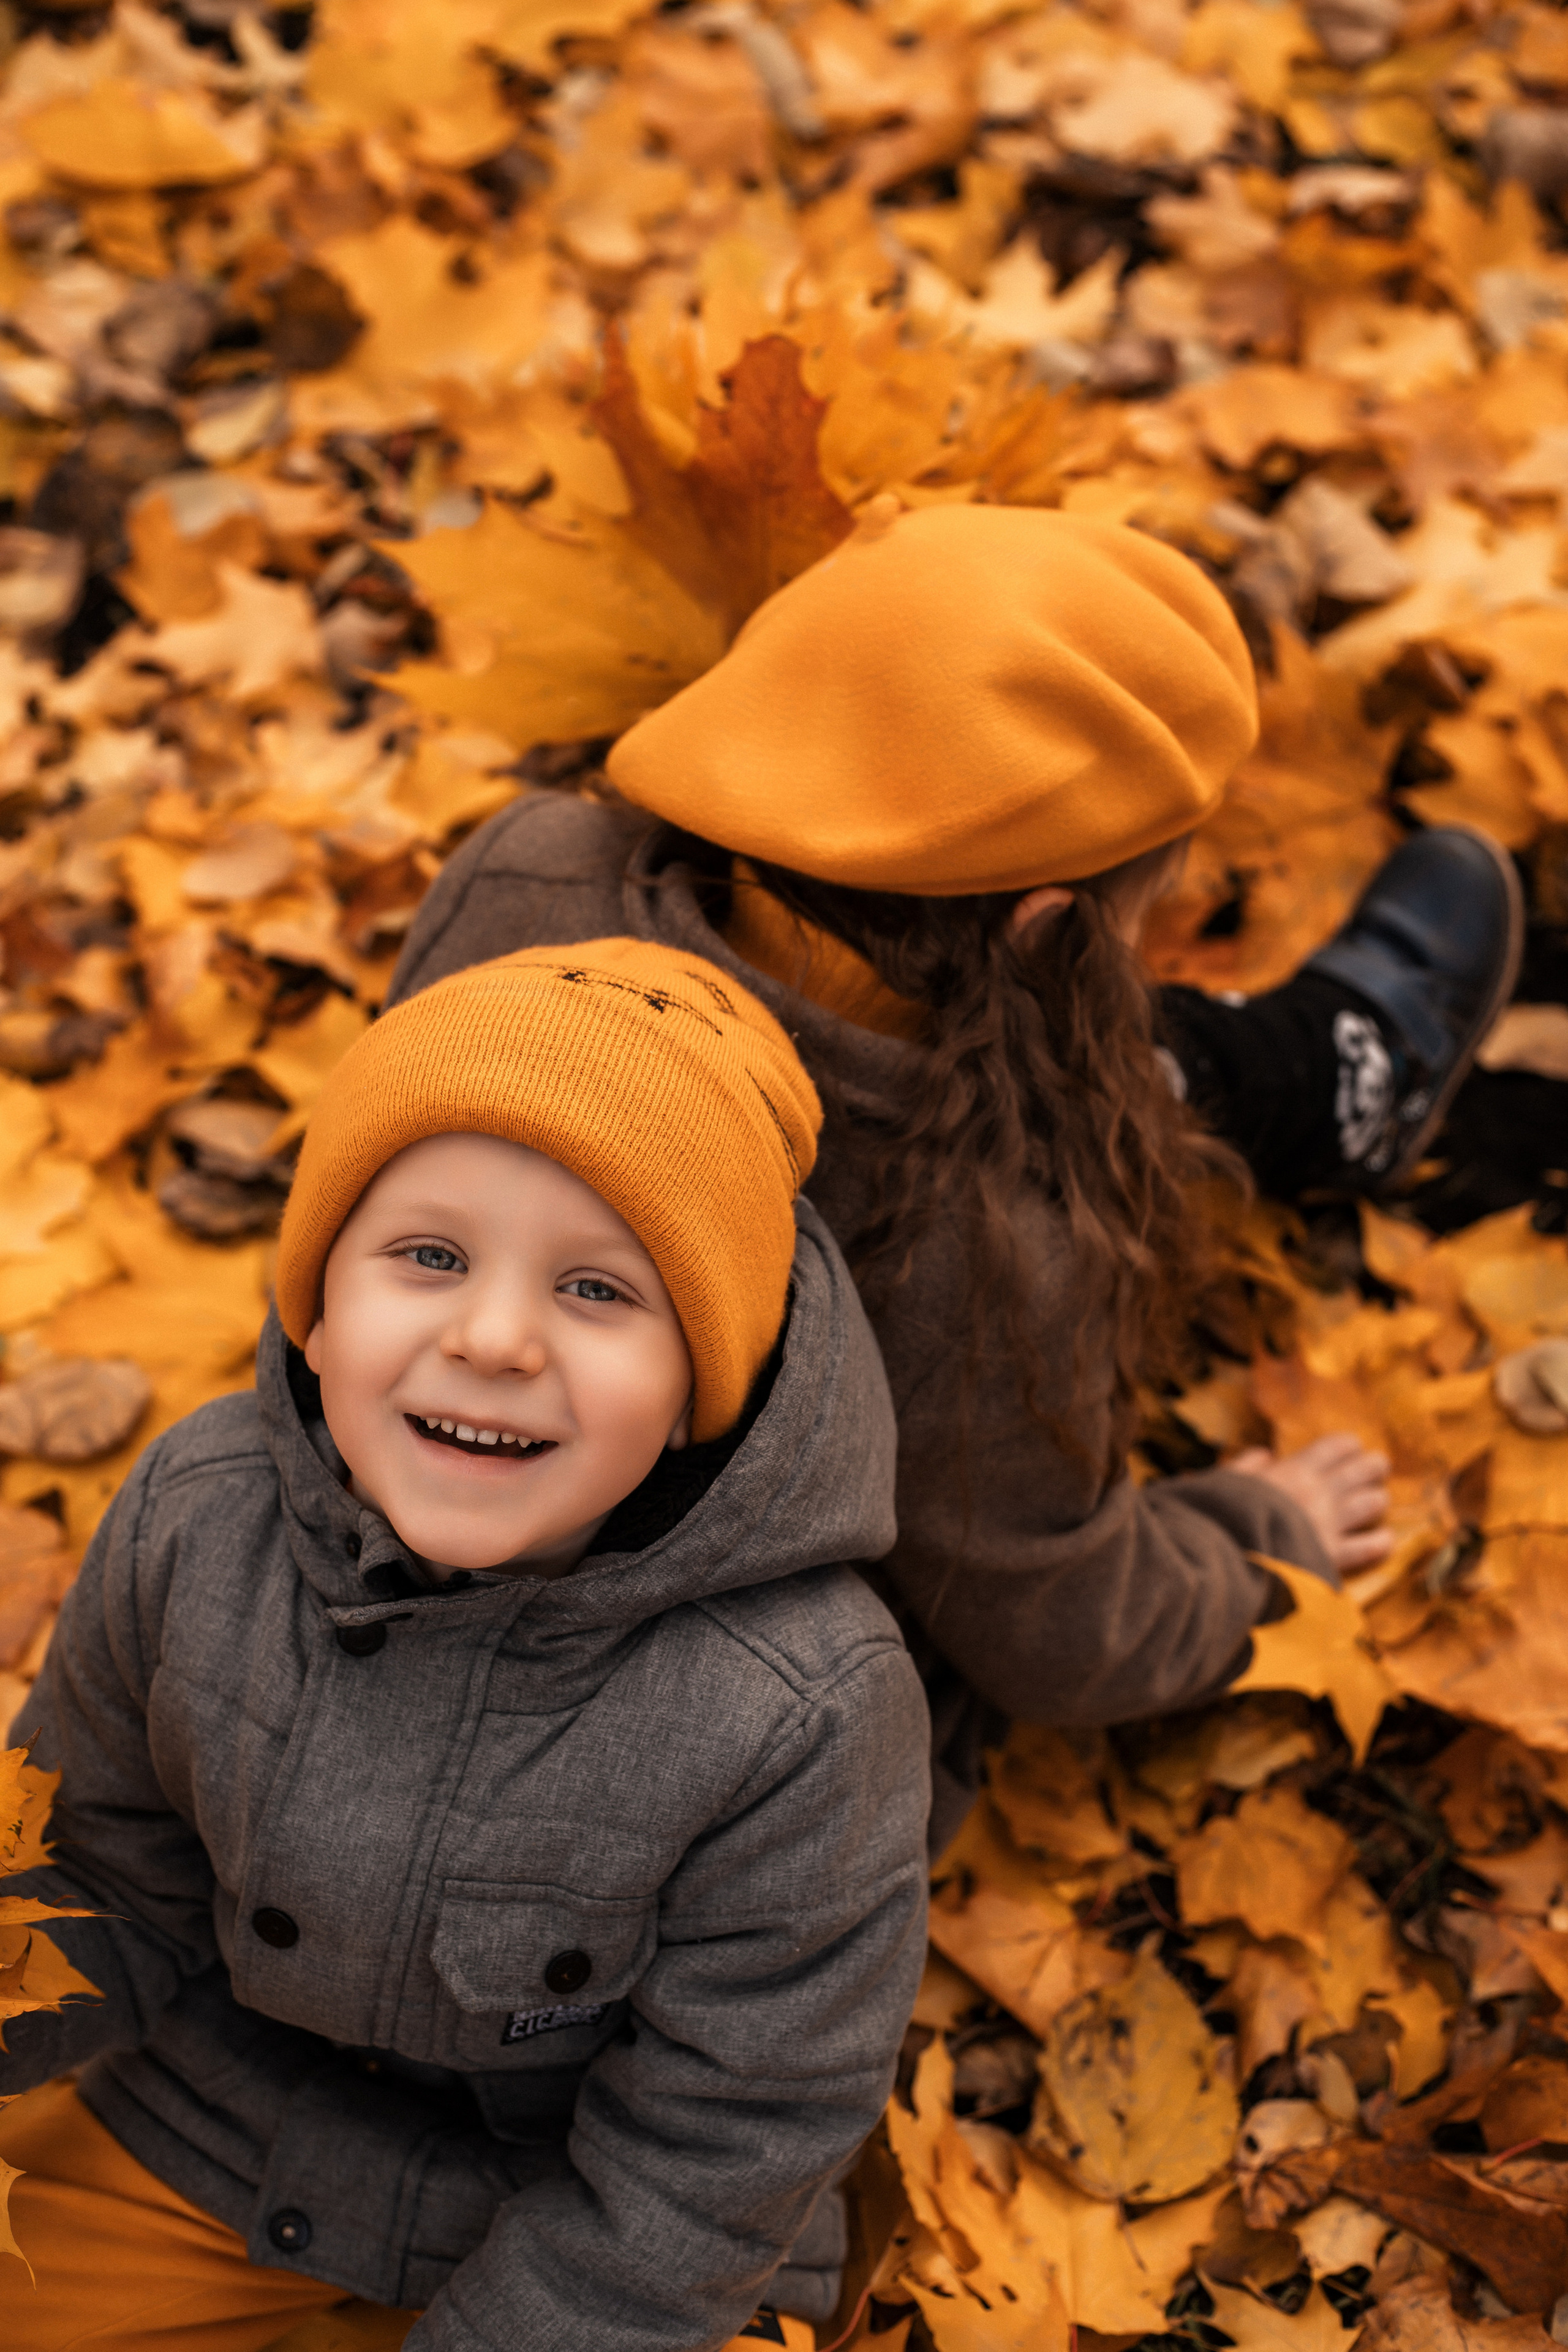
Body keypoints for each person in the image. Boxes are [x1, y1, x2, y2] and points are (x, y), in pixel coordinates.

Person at [384, 503, 1523, 1845]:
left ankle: (1301, 1075)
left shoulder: (525, 872)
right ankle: (1328, 1082)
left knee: (1084, 1055)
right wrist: (1251, 1540)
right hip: (697, 1794)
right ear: (1046, 919)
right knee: (1102, 1071)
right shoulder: (983, 1240)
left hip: (402, 1536)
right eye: (1137, 912)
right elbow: (1060, 1627)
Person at [0, 940, 930, 2351]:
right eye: (428, 1256)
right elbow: (97, 1869)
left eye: (599, 1291)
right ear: (319, 1310)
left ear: (704, 1381)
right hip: (216, 2127)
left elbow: (721, 2143)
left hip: (599, 2237)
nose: (494, 1337)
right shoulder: (199, 1517)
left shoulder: (803, 1707)